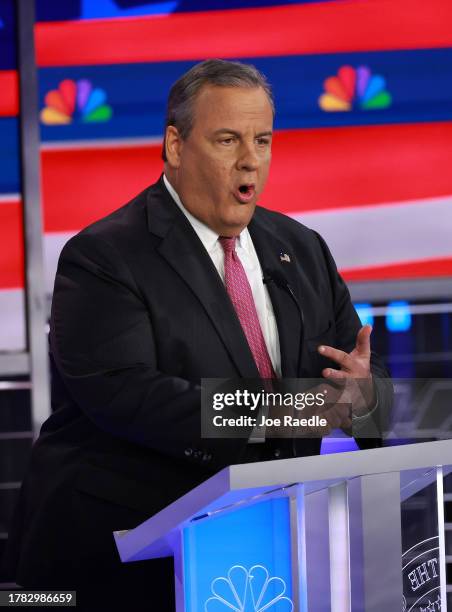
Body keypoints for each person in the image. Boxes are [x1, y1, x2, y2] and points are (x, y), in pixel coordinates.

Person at [3, 59, 391, 610]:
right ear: (176, 145)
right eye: (228, 139)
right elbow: (133, 398)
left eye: (262, 140)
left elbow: (360, 375)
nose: (250, 159)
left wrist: (366, 399)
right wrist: (297, 409)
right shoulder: (103, 257)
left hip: (272, 551)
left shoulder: (302, 249)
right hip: (121, 558)